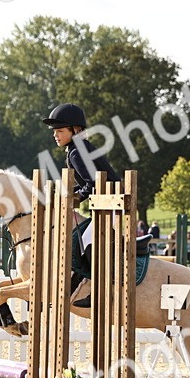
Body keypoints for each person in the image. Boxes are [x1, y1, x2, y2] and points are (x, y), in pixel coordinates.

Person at [42, 103, 146, 308]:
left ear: (75, 130)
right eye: (55, 131)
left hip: (111, 202)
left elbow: (91, 184)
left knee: (88, 241)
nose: (56, 135)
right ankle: (84, 284)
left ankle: (101, 291)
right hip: (106, 202)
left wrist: (74, 199)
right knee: (82, 241)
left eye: (60, 131)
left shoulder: (76, 152)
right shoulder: (78, 148)